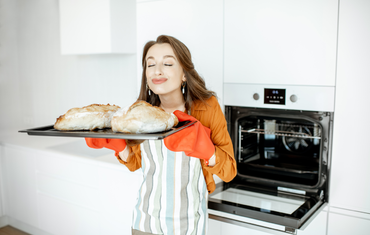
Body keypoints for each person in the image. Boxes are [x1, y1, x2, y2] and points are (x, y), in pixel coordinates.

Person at [85, 35, 237, 235]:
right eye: (150, 65)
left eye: (167, 63)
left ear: (184, 73)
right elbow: (136, 162)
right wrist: (120, 147)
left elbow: (229, 171)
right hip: (145, 223)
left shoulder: (206, 108)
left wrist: (208, 152)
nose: (157, 71)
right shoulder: (140, 113)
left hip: (189, 226)